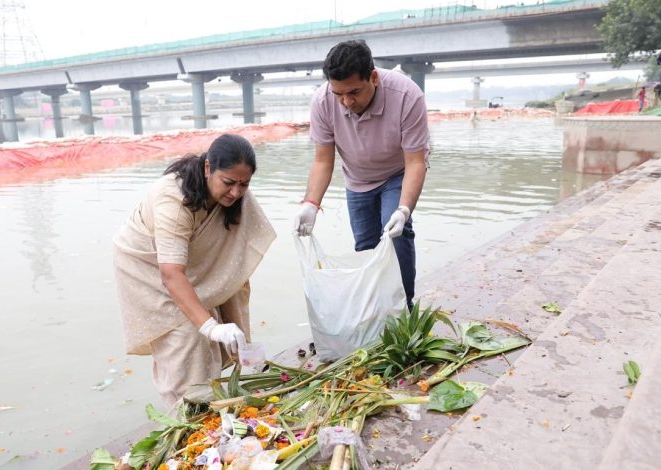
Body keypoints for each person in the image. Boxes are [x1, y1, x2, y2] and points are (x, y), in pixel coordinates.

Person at [113, 134, 276, 409]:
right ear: (208, 168)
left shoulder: (235, 193)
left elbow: (237, 253)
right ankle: (185, 412)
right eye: (228, 183)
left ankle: (222, 391)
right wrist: (210, 327)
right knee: (187, 335)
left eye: (244, 184)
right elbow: (172, 274)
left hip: (188, 263)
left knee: (231, 291)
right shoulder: (173, 202)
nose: (235, 193)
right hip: (149, 267)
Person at [293, 40, 430, 309]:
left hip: (397, 173)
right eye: (339, 94)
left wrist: (403, 210)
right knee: (366, 246)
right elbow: (323, 160)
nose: (346, 102)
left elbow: (415, 161)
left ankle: (405, 309)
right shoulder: (322, 101)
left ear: (374, 77)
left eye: (354, 92)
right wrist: (310, 204)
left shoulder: (407, 96)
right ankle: (376, 312)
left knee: (395, 236)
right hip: (356, 179)